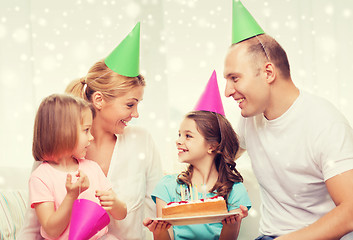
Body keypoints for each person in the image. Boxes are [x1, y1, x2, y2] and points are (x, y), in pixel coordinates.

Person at [18, 22, 163, 240]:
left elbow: (155, 211)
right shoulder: (55, 151)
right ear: (99, 100)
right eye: (130, 105)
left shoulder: (142, 141)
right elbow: (34, 226)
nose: (136, 114)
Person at [223, 1, 353, 239]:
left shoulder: (325, 124)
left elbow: (350, 211)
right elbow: (219, 158)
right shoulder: (250, 119)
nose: (227, 91)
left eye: (234, 78)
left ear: (268, 73)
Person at [144, 71, 251, 240]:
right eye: (179, 134)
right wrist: (159, 231)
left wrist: (232, 225)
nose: (178, 141)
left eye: (188, 136)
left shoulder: (234, 191)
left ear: (212, 146)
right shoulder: (168, 187)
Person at [29, 93, 127, 240]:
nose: (91, 137)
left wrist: (115, 204)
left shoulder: (92, 168)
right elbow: (51, 230)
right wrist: (71, 196)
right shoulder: (40, 178)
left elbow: (121, 214)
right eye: (86, 130)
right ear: (63, 132)